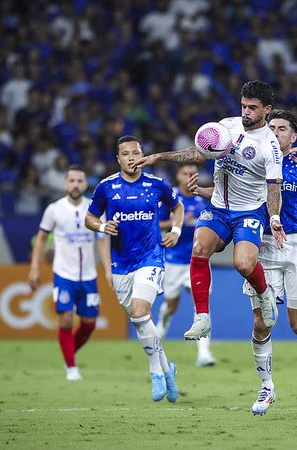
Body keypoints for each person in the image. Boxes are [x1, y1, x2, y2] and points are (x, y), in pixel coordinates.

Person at [187, 109, 297, 414]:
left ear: (294, 135)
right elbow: (229, 197)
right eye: (272, 127)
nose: (276, 132)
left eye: (282, 128)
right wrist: (201, 191)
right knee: (262, 322)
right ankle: (266, 387)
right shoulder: (255, 154)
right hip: (264, 242)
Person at [133, 80, 285, 341]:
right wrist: (159, 156)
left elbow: (273, 189)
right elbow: (198, 153)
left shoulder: (270, 147)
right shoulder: (226, 126)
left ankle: (264, 293)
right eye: (243, 106)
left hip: (249, 212)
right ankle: (202, 318)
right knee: (199, 248)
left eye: (252, 108)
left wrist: (274, 217)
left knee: (243, 264)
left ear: (267, 109)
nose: (246, 112)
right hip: (219, 207)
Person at [85, 135, 184, 403]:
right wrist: (103, 226)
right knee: (142, 323)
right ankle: (168, 369)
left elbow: (177, 207)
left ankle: (155, 373)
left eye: (136, 152)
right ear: (118, 159)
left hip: (151, 258)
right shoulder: (106, 187)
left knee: (141, 311)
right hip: (121, 265)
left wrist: (176, 230)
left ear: (142, 155)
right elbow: (90, 218)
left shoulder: (156, 184)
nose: (131, 157)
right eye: (125, 154)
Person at [28, 165, 112, 381]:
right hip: (64, 274)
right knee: (66, 319)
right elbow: (40, 239)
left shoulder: (94, 209)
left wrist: (108, 269)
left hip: (89, 275)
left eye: (80, 181)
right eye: (72, 180)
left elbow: (101, 241)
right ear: (65, 184)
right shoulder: (54, 209)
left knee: (89, 324)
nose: (76, 185)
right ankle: (71, 367)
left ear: (85, 184)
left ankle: (68, 352)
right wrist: (35, 267)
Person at [157, 163, 216, 367]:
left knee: (201, 306)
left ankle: (204, 354)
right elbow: (155, 224)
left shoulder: (202, 201)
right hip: (173, 261)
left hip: (197, 262)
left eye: (192, 174)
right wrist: (178, 223)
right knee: (171, 307)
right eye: (184, 173)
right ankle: (159, 332)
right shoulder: (170, 199)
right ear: (178, 176)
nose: (189, 176)